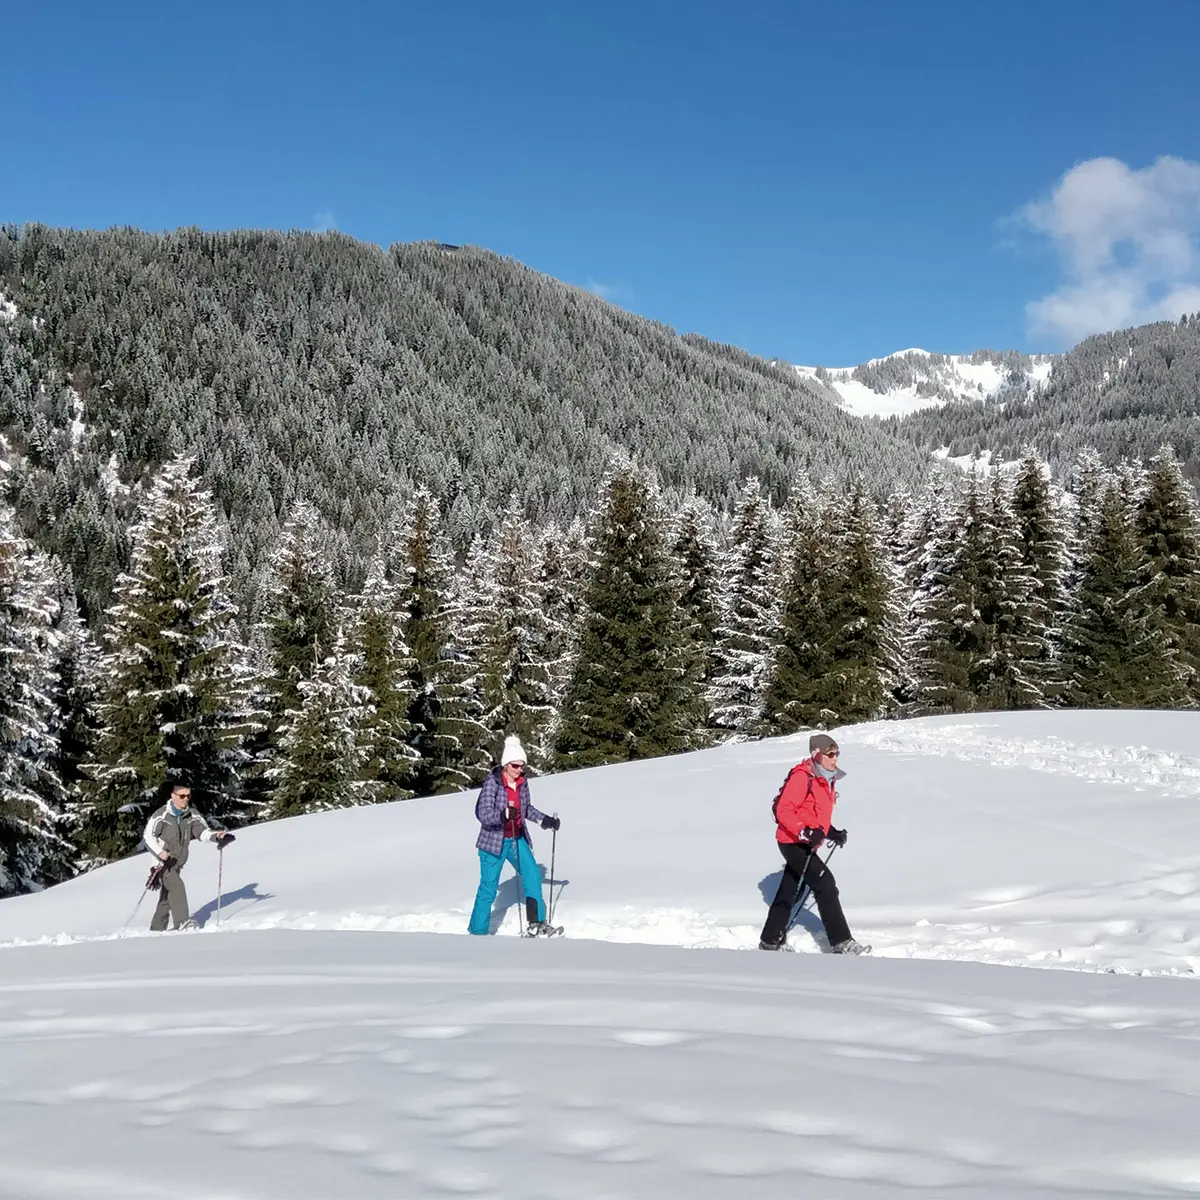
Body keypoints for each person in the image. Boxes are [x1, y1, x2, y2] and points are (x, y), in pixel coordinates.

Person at [759, 734, 869, 954]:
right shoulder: (803, 776)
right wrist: (804, 831)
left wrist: (831, 832)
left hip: (805, 842)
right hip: (792, 841)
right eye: (830, 753)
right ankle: (841, 942)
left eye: (837, 753)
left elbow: (814, 815)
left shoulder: (826, 778)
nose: (835, 758)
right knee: (825, 884)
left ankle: (770, 940)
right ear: (817, 754)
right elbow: (784, 811)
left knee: (790, 891)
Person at [468, 735, 561, 936]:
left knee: (532, 875)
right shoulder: (493, 783)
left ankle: (536, 923)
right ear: (506, 765)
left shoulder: (522, 783)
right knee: (489, 887)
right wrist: (502, 815)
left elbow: (526, 809)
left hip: (516, 839)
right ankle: (477, 932)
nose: (520, 770)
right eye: (516, 766)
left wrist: (545, 821)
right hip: (493, 842)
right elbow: (482, 814)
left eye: (522, 766)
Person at [142, 779, 234, 931]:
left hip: (177, 862)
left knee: (167, 898)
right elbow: (148, 837)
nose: (185, 799)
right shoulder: (161, 815)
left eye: (188, 796)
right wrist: (161, 854)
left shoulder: (192, 815)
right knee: (177, 886)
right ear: (173, 795)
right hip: (162, 864)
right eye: (182, 796)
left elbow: (202, 832)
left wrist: (217, 837)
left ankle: (156, 930)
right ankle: (183, 923)